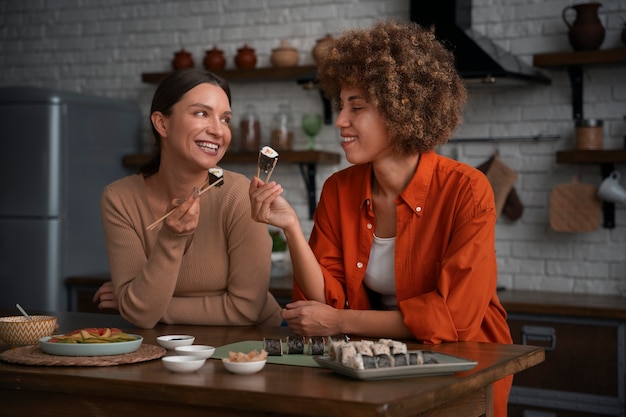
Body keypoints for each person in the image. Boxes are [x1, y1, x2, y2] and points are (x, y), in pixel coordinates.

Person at [248, 20, 513, 417]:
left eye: (357, 107)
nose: (340, 120)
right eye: (340, 105)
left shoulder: (467, 189)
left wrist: (338, 321)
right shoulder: (339, 189)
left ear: (401, 108)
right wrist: (288, 227)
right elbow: (321, 302)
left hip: (465, 365)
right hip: (371, 362)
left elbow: (453, 318)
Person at [93, 69, 282, 329]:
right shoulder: (120, 199)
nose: (218, 131)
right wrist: (172, 238)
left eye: (225, 119)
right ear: (162, 124)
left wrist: (138, 302)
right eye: (201, 113)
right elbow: (140, 313)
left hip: (249, 349)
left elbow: (245, 309)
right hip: (164, 351)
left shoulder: (239, 194)